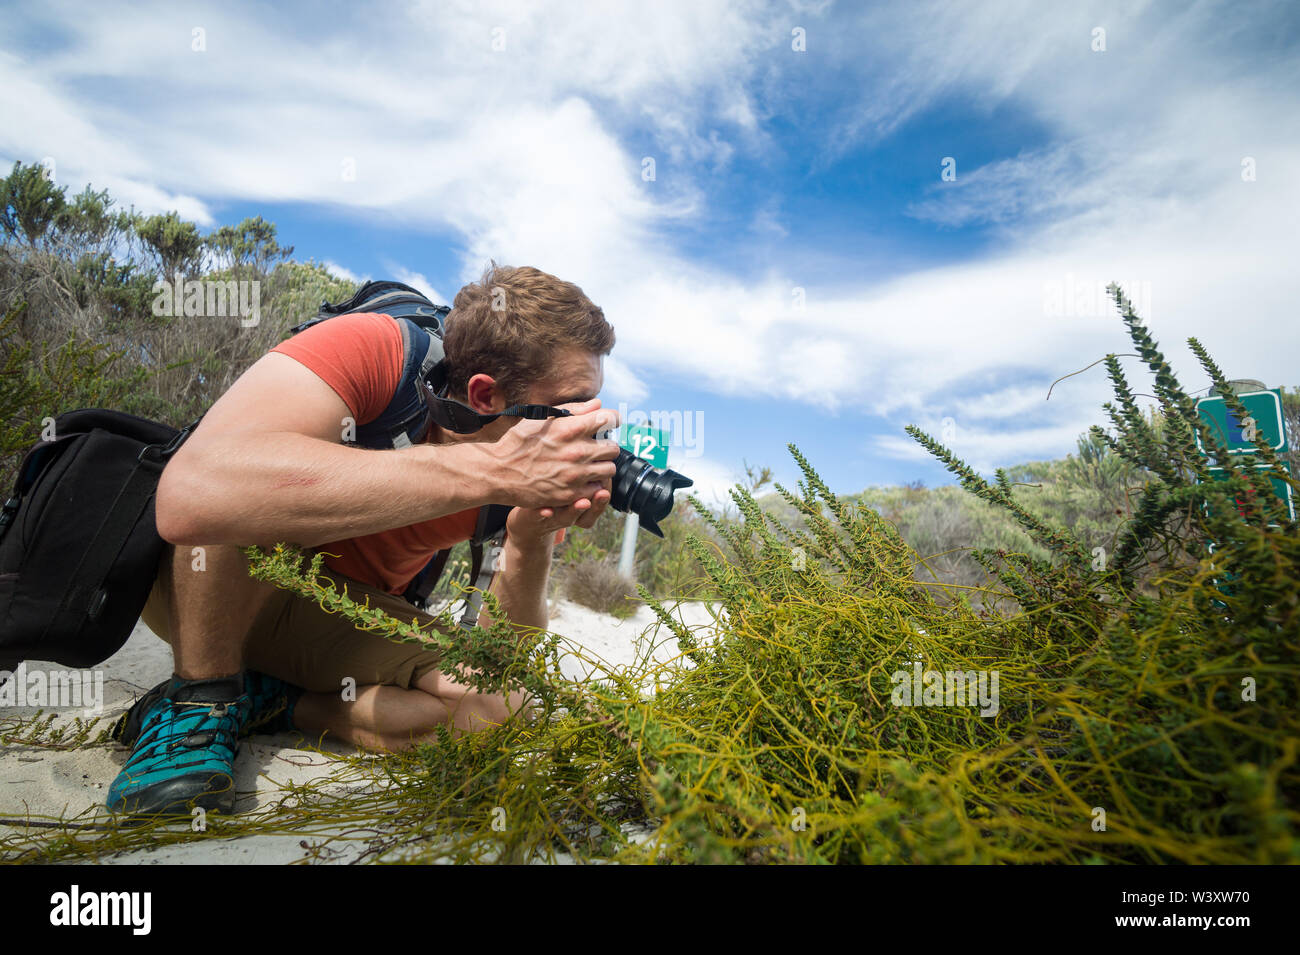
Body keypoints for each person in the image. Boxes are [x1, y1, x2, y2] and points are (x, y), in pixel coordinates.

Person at [107, 263, 621, 817]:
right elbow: (193, 494)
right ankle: (199, 700)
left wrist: (528, 538)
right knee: (236, 501)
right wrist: (491, 470)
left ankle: (278, 700)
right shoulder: (377, 348)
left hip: (336, 620)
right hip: (208, 584)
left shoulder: (531, 475)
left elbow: (504, 660)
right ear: (485, 396)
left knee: (504, 709)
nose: (590, 425)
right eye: (573, 402)